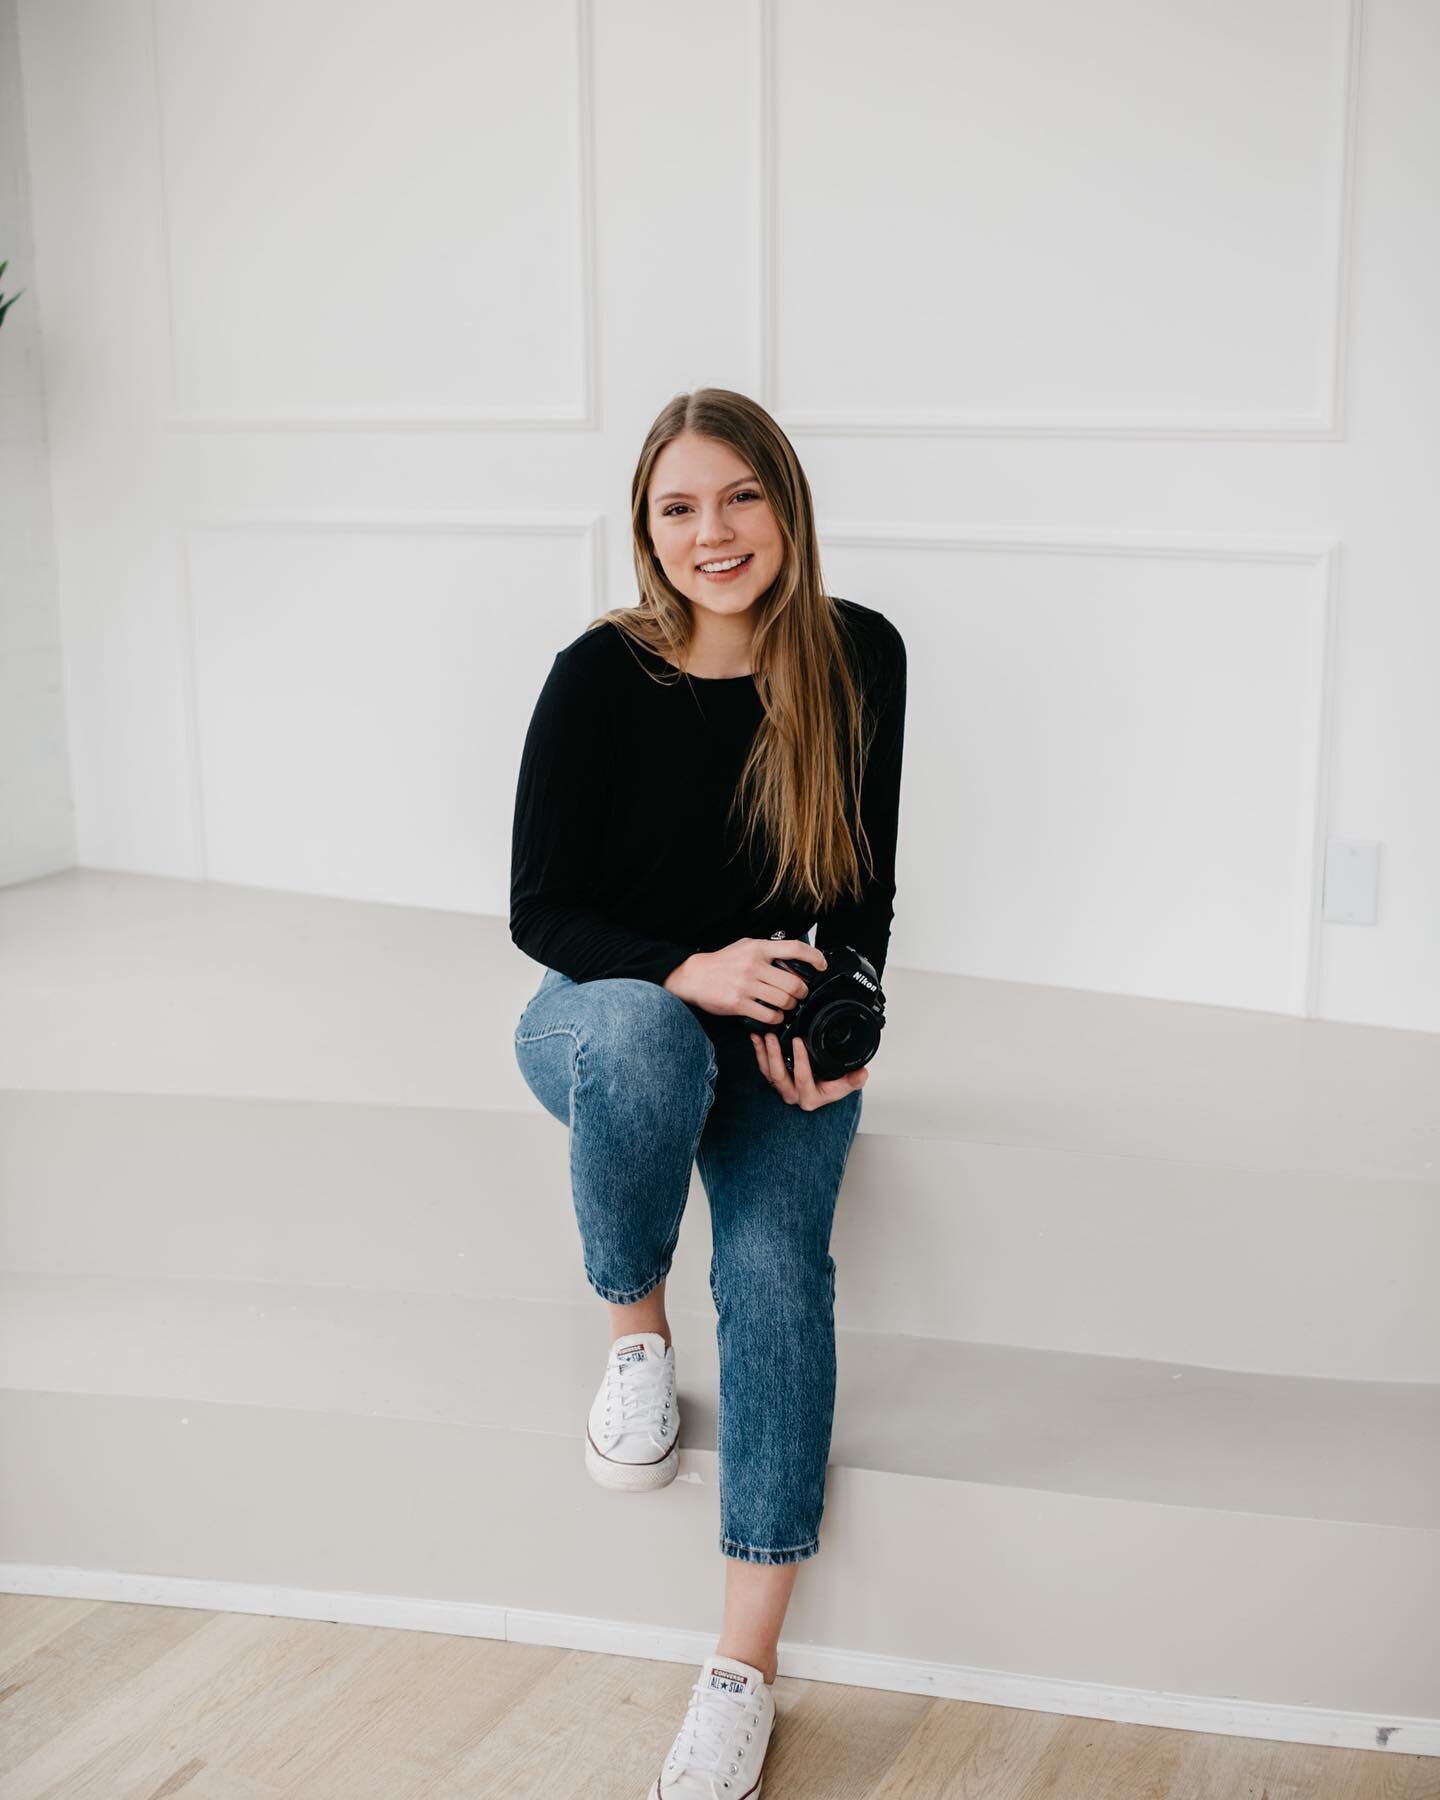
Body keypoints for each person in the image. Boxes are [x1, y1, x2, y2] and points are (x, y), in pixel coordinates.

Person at [509, 386, 907, 1796]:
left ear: (785, 504)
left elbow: (861, 898)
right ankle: (635, 1336)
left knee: (778, 1269)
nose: (712, 532)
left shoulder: (859, 656)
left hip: (774, 1034)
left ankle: (742, 1673)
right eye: (678, 507)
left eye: (738, 496)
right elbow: (541, 912)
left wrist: (840, 1026)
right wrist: (690, 969)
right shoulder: (600, 674)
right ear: (646, 531)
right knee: (638, 1039)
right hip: (612, 1010)